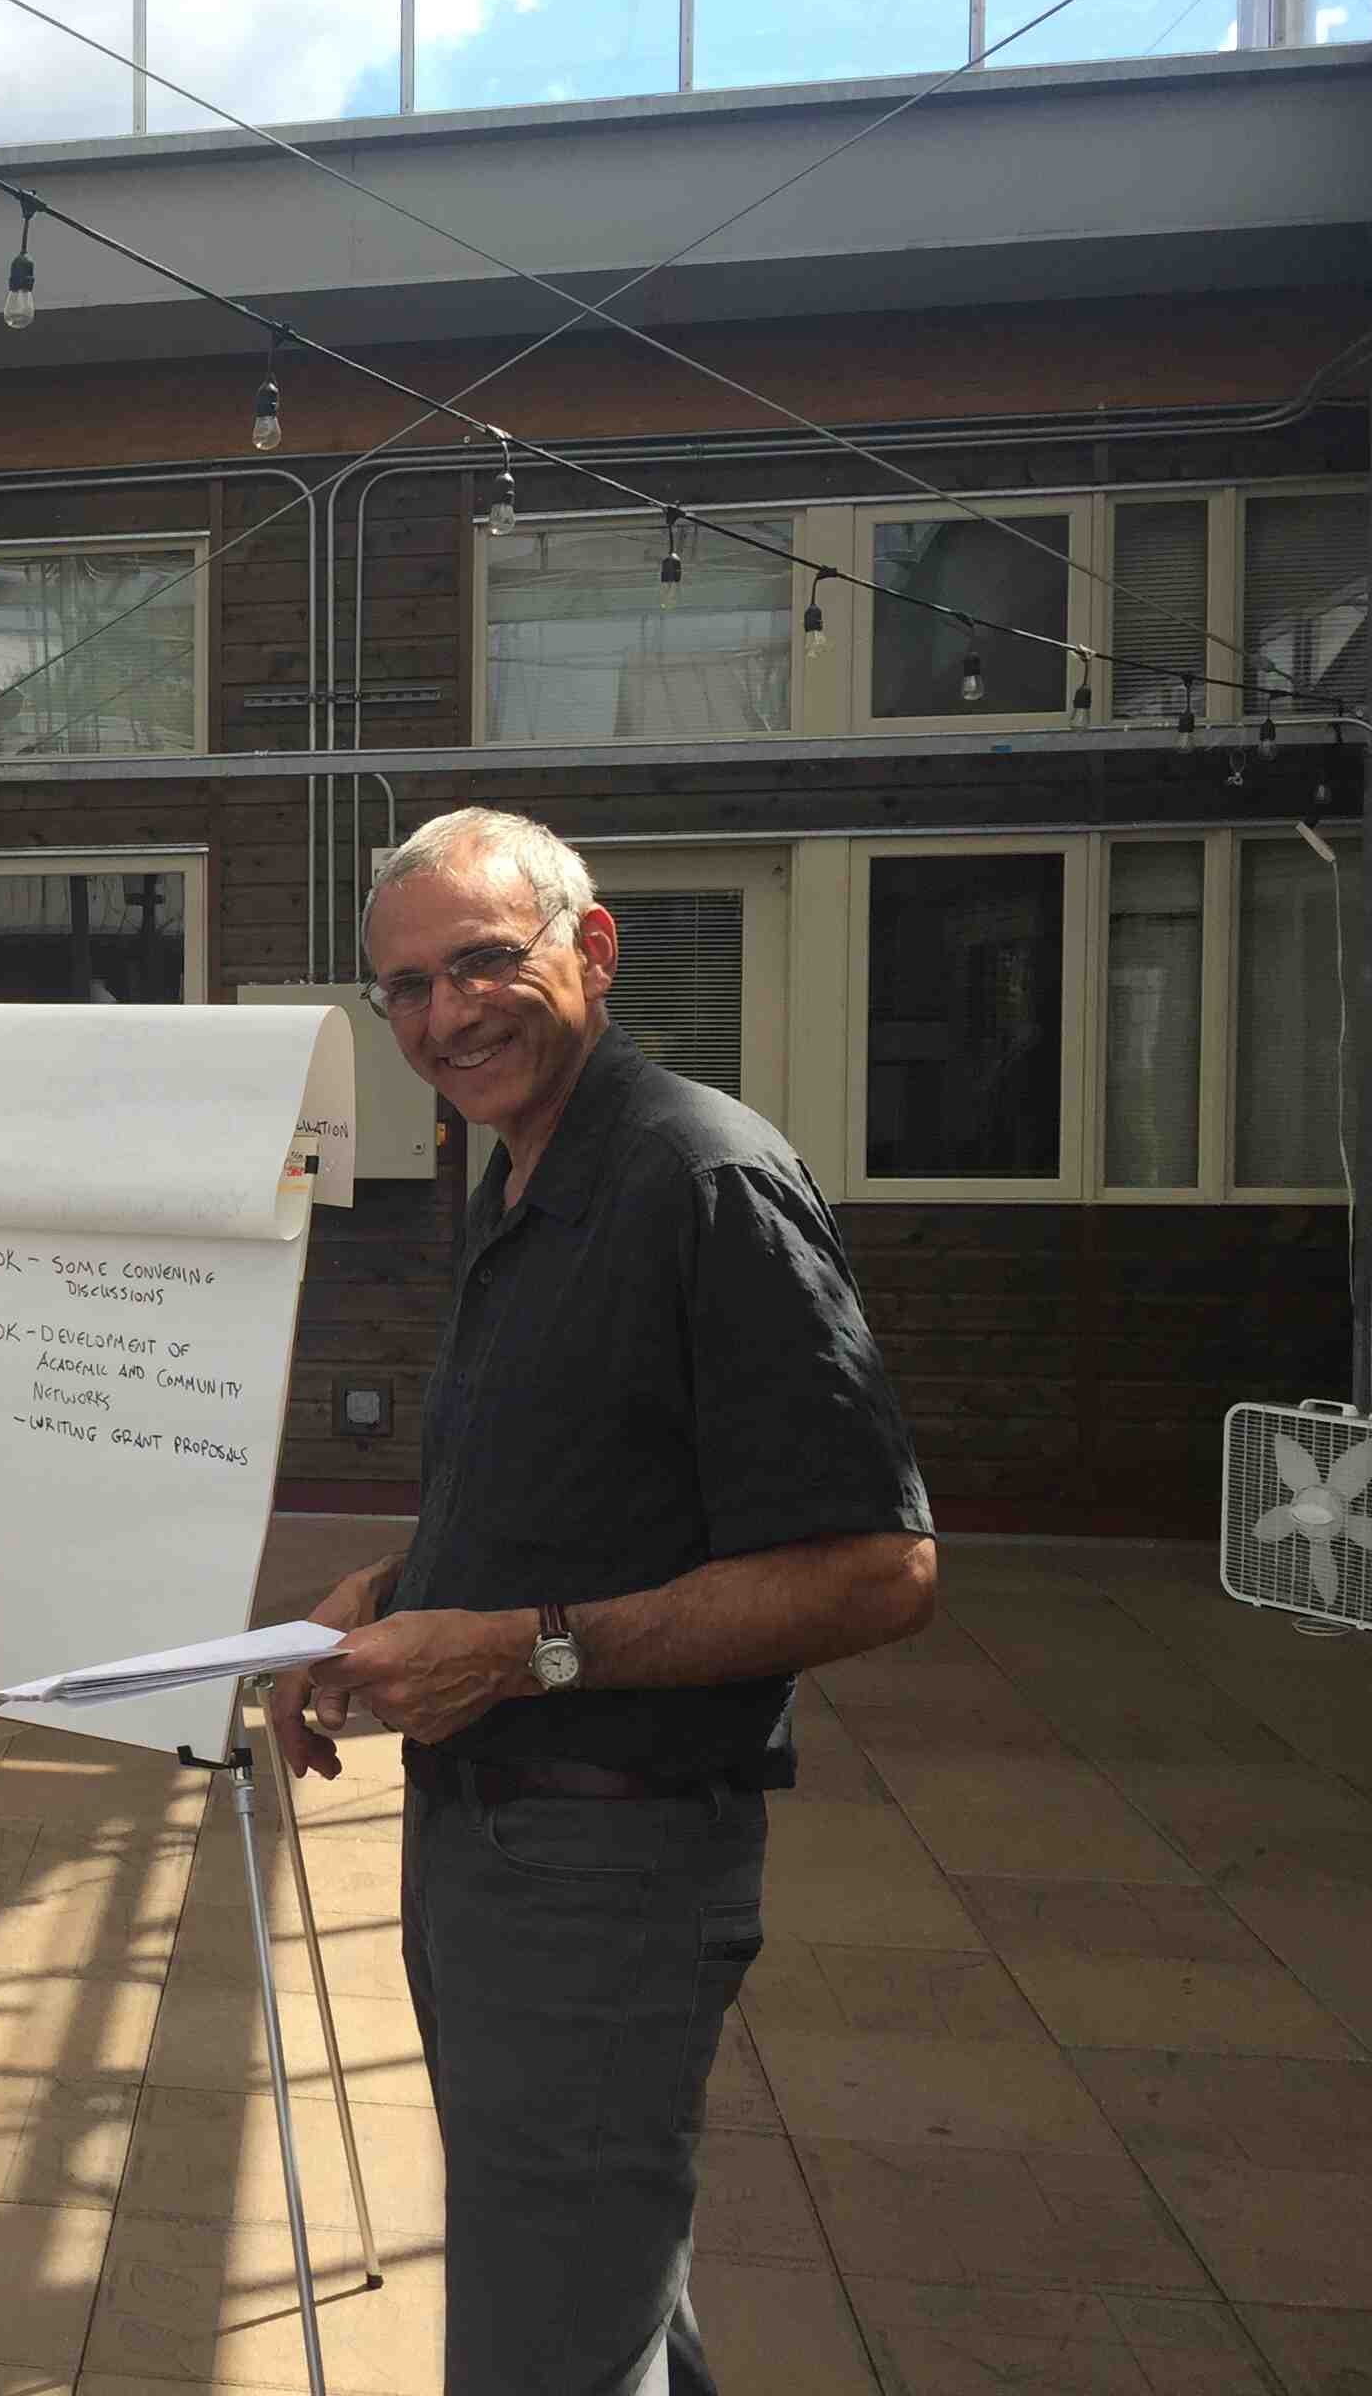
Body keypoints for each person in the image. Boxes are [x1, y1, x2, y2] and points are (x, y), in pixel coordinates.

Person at [267, 806, 936, 2396]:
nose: (447, 1016)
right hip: (503, 1845)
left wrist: (523, 1648)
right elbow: (581, 1485)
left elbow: (878, 1567)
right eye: (408, 990)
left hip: (609, 1861)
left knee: (542, 2336)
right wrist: (393, 1594)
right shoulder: (518, 1175)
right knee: (596, 2297)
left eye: (485, 961)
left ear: (594, 948)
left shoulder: (700, 1179)